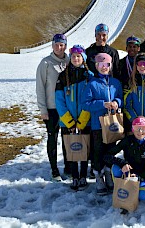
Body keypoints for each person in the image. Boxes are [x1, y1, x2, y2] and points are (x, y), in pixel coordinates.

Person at [83, 53, 123, 195]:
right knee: (98, 151)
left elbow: (120, 97)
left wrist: (116, 103)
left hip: (112, 124)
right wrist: (102, 104)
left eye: (106, 65)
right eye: (101, 65)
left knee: (111, 150)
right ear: (96, 66)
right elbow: (86, 104)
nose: (104, 68)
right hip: (98, 125)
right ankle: (99, 177)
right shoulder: (92, 84)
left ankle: (109, 174)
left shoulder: (115, 83)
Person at [55, 44, 93, 190]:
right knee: (71, 148)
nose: (76, 59)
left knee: (83, 148)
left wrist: (82, 121)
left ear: (83, 58)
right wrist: (69, 122)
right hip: (68, 122)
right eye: (73, 56)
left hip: (84, 121)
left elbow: (90, 99)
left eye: (78, 56)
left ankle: (83, 175)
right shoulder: (63, 76)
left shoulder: (88, 76)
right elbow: (59, 101)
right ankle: (74, 176)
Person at [104, 116, 145, 214]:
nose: (140, 131)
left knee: (142, 196)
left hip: (142, 175)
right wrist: (123, 163)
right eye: (137, 128)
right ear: (132, 129)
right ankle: (121, 188)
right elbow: (107, 156)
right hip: (128, 173)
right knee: (116, 168)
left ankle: (136, 190)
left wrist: (139, 177)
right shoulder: (127, 140)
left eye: (143, 128)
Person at [36, 33, 70, 181]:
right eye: (56, 44)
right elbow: (40, 88)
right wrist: (43, 109)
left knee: (66, 138)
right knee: (52, 137)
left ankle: (68, 166)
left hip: (66, 107)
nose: (59, 47)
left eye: (62, 45)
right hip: (51, 108)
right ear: (52, 45)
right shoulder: (45, 63)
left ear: (65, 46)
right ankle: (54, 169)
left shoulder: (70, 60)